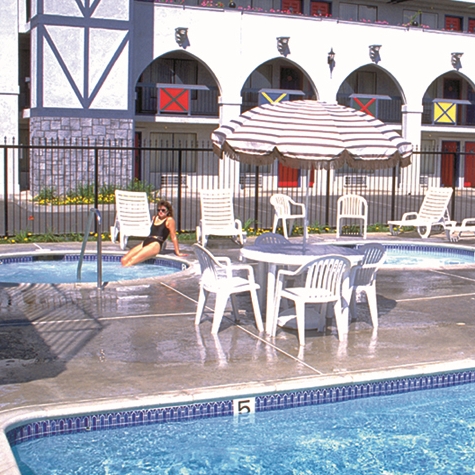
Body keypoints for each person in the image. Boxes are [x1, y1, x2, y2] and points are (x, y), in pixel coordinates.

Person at [121, 200, 187, 267]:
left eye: (163, 210)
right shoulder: (155, 218)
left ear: (168, 211)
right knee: (124, 260)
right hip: (146, 241)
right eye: (159, 210)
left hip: (155, 244)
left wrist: (177, 252)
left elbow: (174, 237)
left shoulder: (169, 220)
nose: (160, 212)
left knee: (132, 261)